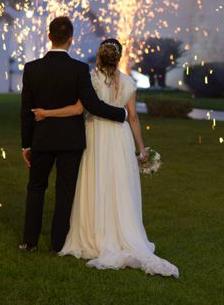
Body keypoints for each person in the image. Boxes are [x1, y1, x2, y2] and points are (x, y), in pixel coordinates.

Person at [32, 38, 179, 277]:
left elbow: (79, 109)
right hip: (120, 138)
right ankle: (121, 232)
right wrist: (141, 148)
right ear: (118, 58)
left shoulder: (90, 79)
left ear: (99, 57)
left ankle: (94, 234)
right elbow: (132, 117)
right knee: (118, 184)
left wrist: (47, 113)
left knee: (95, 182)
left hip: (96, 134)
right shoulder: (129, 82)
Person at [19, 18, 127, 253]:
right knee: (65, 192)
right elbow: (92, 104)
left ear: (49, 37)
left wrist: (26, 145)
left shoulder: (32, 68)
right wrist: (122, 113)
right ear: (71, 39)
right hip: (71, 140)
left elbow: (26, 110)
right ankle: (58, 244)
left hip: (42, 139)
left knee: (36, 188)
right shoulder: (78, 69)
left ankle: (29, 242)